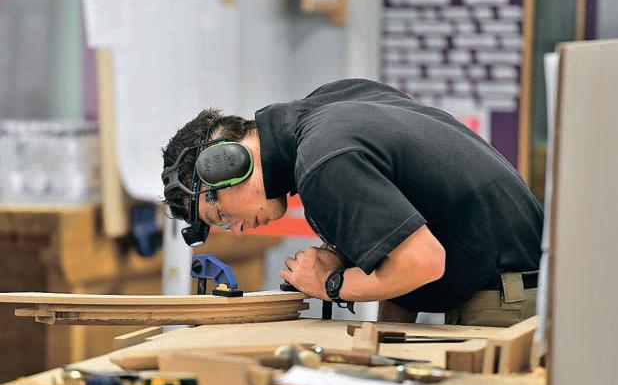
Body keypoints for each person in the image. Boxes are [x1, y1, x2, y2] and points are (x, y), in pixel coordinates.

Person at [161, 79, 542, 327]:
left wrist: (330, 283)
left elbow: (422, 262)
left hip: (503, 301)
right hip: (517, 285)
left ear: (227, 163)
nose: (238, 229)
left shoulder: (323, 162)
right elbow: (411, 232)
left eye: (221, 215)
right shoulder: (330, 105)